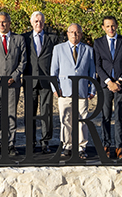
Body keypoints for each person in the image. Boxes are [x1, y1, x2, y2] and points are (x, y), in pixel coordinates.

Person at [50, 23, 96, 159]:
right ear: (67, 33)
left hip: (82, 91)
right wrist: (55, 88)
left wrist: (92, 89)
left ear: (81, 35)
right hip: (64, 90)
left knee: (82, 119)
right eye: (72, 32)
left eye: (77, 33)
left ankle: (81, 147)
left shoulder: (88, 50)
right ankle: (67, 146)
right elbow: (54, 71)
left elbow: (92, 72)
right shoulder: (58, 49)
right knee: (66, 120)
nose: (74, 35)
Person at [94, 15, 122, 159]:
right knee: (105, 116)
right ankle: (106, 145)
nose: (110, 29)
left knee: (119, 116)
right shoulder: (98, 43)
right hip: (105, 86)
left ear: (116, 26)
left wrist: (119, 81)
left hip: (121, 86)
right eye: (107, 26)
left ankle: (119, 147)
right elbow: (97, 65)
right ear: (103, 28)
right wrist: (108, 82)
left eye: (112, 26)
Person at [0, 12, 27, 156]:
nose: (1, 25)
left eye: (4, 22)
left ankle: (10, 144)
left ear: (9, 23)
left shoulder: (19, 39)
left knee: (11, 114)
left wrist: (14, 77)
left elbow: (23, 61)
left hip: (12, 84)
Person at [22, 11, 59, 154]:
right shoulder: (24, 38)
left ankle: (45, 142)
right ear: (31, 23)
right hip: (29, 80)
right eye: (36, 21)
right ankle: (30, 142)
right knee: (29, 113)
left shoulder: (53, 38)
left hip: (46, 81)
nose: (39, 24)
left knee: (47, 113)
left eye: (41, 21)